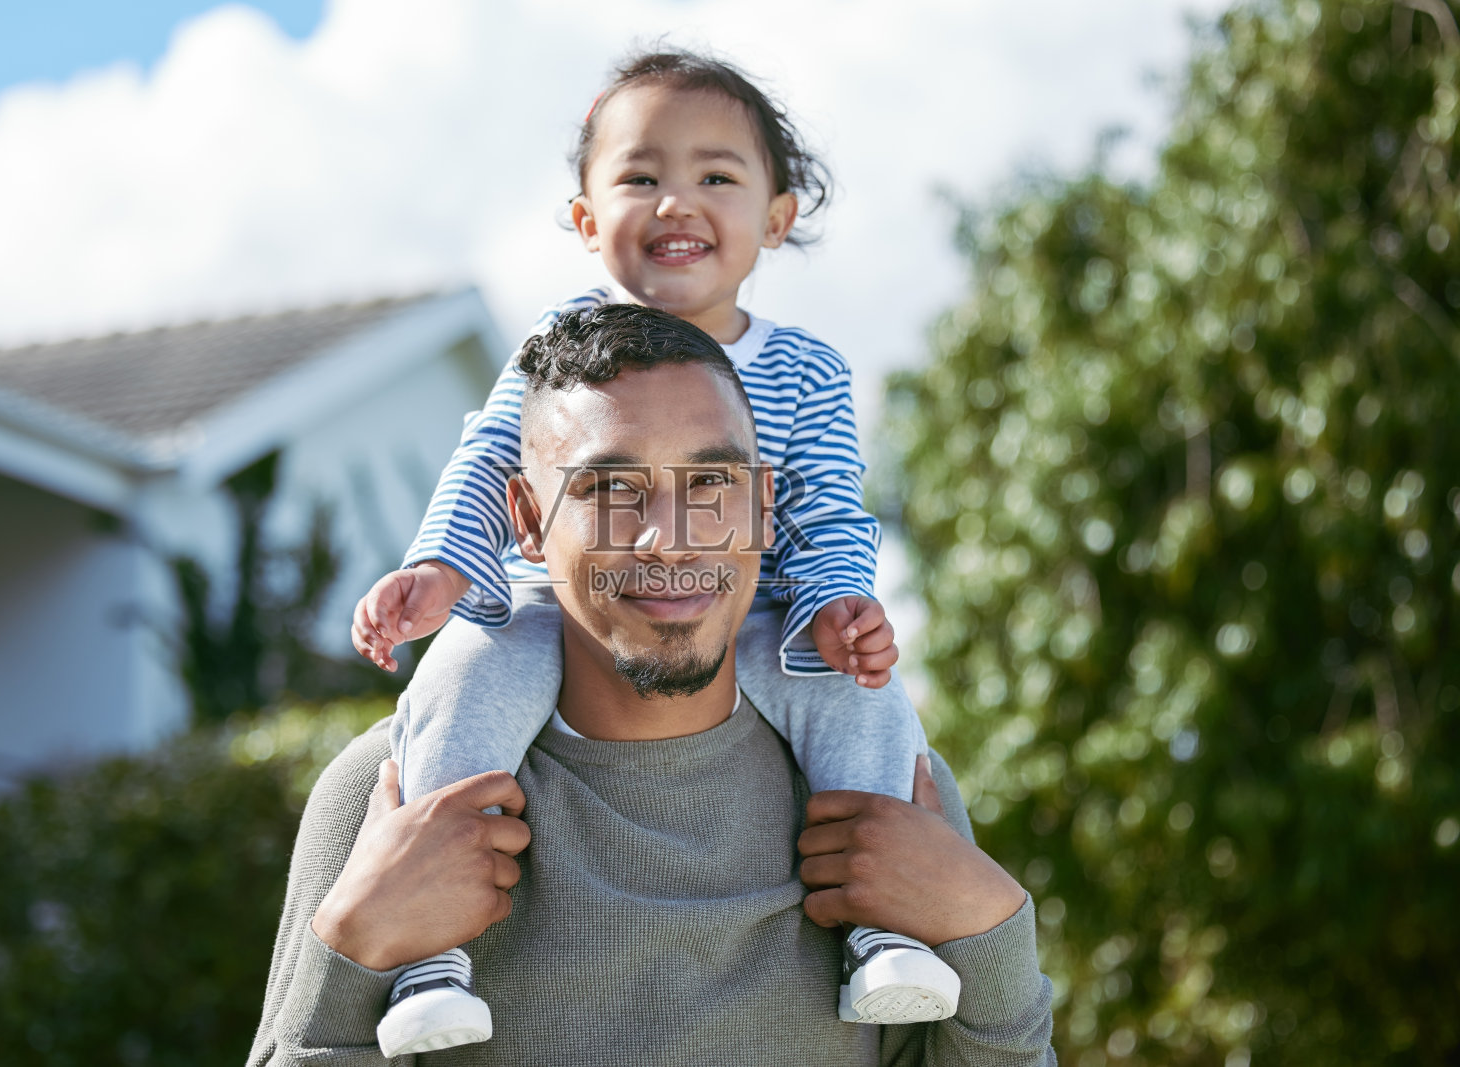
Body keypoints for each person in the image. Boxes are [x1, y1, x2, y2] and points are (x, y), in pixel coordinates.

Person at [248, 304, 1055, 1066]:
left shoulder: (891, 802)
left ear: (765, 508)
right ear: (525, 519)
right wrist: (350, 950)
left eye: (712, 486)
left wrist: (994, 933)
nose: (670, 540)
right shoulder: (385, 799)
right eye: (609, 489)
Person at [352, 50, 950, 1054]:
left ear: (776, 218)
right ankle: (429, 958)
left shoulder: (804, 371)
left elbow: (828, 511)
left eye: (716, 175)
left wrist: (837, 602)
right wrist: (442, 569)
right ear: (587, 219)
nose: (677, 199)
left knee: (867, 696)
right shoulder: (555, 345)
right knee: (458, 675)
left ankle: (885, 933)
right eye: (640, 176)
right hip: (560, 610)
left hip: (759, 617)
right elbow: (491, 458)